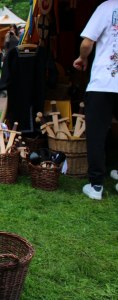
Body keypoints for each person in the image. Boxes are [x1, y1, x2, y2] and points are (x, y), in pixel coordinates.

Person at [72, 0, 118, 200]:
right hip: (106, 82)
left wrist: (83, 58)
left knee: (97, 134)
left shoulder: (107, 7)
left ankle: (96, 185)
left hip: (103, 83)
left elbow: (87, 42)